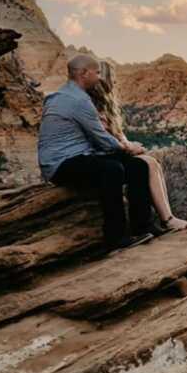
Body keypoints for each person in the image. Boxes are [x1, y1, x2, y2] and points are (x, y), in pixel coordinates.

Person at [38, 54, 154, 250]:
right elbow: (102, 139)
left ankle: (143, 227)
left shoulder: (65, 95)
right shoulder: (78, 100)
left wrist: (129, 153)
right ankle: (115, 238)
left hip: (79, 157)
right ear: (84, 73)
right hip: (60, 165)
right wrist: (130, 148)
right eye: (97, 72)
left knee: (138, 166)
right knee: (112, 169)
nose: (100, 77)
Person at [87, 61, 187, 231]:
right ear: (104, 82)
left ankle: (166, 218)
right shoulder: (92, 105)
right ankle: (166, 219)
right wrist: (129, 147)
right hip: (102, 154)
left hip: (113, 150)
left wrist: (130, 144)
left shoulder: (104, 104)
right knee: (147, 164)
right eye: (114, 81)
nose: (116, 85)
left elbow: (118, 134)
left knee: (151, 163)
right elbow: (104, 137)